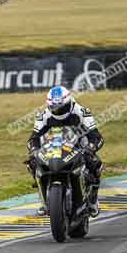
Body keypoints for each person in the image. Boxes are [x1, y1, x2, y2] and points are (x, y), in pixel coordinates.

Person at [26, 86, 104, 217]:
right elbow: (32, 139)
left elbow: (97, 137)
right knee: (32, 163)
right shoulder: (43, 115)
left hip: (78, 147)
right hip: (52, 149)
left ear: (70, 102)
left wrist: (90, 149)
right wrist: (34, 150)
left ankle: (93, 201)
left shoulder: (82, 112)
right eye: (55, 108)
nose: (58, 111)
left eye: (62, 107)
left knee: (96, 163)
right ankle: (44, 200)